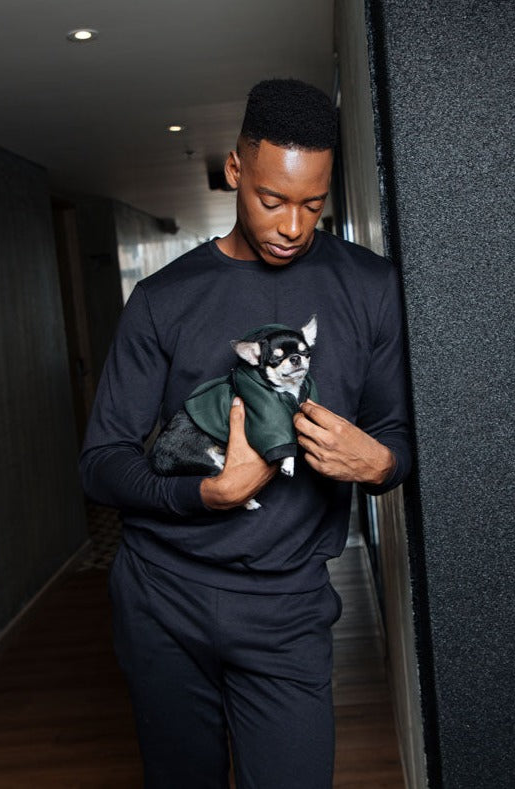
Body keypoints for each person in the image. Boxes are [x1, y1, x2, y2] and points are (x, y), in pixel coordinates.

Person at [80, 78, 411, 789]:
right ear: (235, 170)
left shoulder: (370, 287)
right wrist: (207, 493)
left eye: (312, 205)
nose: (292, 225)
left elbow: (397, 434)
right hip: (161, 596)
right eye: (271, 199)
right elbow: (100, 463)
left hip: (286, 605)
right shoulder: (163, 299)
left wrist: (379, 463)